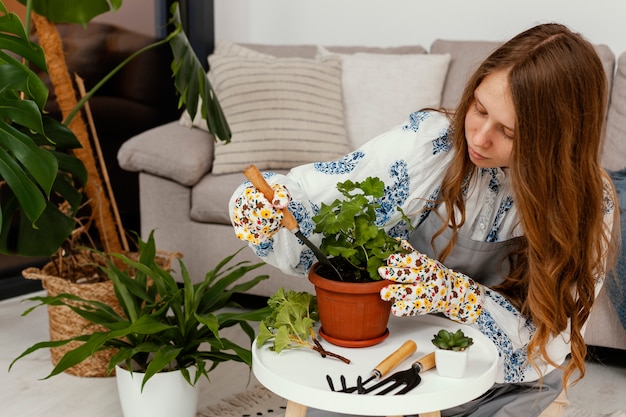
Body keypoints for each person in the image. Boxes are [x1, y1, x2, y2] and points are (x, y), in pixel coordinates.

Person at [229, 23, 619, 417]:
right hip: (401, 355)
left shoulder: (588, 202)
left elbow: (552, 340)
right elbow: (321, 194)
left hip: (504, 382)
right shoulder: (433, 142)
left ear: (553, 140)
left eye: (509, 132)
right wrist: (267, 206)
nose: (480, 137)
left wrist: (459, 296)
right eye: (479, 109)